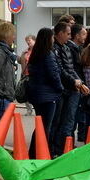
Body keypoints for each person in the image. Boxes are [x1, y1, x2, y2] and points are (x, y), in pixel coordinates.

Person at [51, 22, 89, 156]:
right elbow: (61, 70)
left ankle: (63, 149)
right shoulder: (55, 48)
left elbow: (70, 69)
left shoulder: (65, 47)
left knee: (68, 121)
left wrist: (80, 83)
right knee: (61, 122)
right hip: (63, 90)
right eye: (67, 34)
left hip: (71, 88)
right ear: (60, 33)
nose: (69, 37)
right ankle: (59, 150)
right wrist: (75, 82)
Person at [25, 27, 63, 158]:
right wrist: (60, 88)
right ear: (48, 39)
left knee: (40, 125)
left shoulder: (35, 54)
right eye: (52, 37)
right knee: (46, 126)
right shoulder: (48, 54)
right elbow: (54, 74)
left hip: (37, 94)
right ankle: (42, 153)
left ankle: (33, 152)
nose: (53, 40)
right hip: (48, 95)